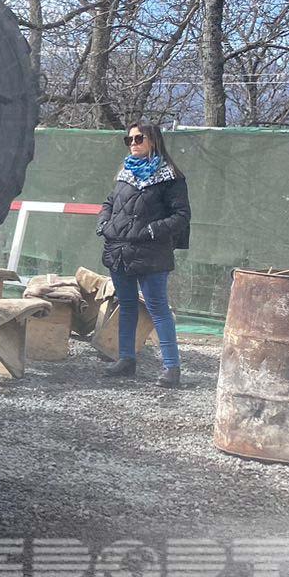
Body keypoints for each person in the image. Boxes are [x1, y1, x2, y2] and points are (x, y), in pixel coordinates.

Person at [97, 122, 190, 387]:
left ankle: (172, 368)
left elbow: (182, 215)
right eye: (129, 140)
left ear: (154, 140)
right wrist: (104, 224)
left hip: (152, 253)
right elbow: (109, 203)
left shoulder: (171, 177)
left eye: (139, 138)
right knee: (126, 306)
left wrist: (151, 230)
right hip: (119, 250)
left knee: (158, 308)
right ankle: (126, 360)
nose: (133, 143)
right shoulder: (125, 173)